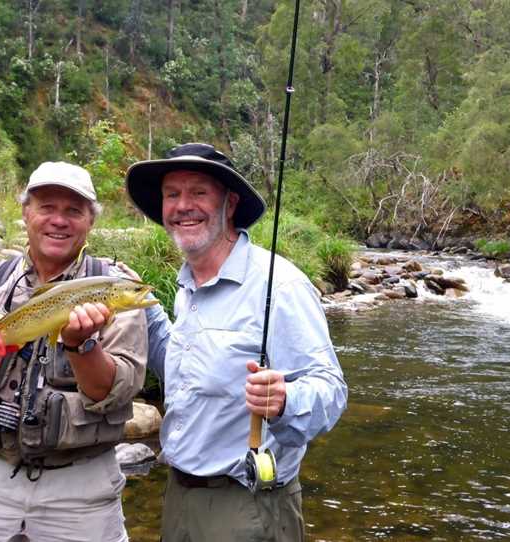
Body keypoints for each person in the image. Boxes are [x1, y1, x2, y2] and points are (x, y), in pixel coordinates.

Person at [0, 162, 148, 542]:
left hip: (82, 487)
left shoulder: (117, 283)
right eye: (46, 207)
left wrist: (82, 345)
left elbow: (118, 390)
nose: (59, 220)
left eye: (74, 210)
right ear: (25, 213)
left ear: (90, 221)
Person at [125, 143, 347, 541]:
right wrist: (141, 305)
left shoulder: (280, 285)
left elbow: (332, 390)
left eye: (198, 193)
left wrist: (284, 402)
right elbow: (181, 370)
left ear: (230, 204)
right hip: (179, 497)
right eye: (172, 194)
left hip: (248, 508)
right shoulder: (186, 284)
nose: (182, 205)